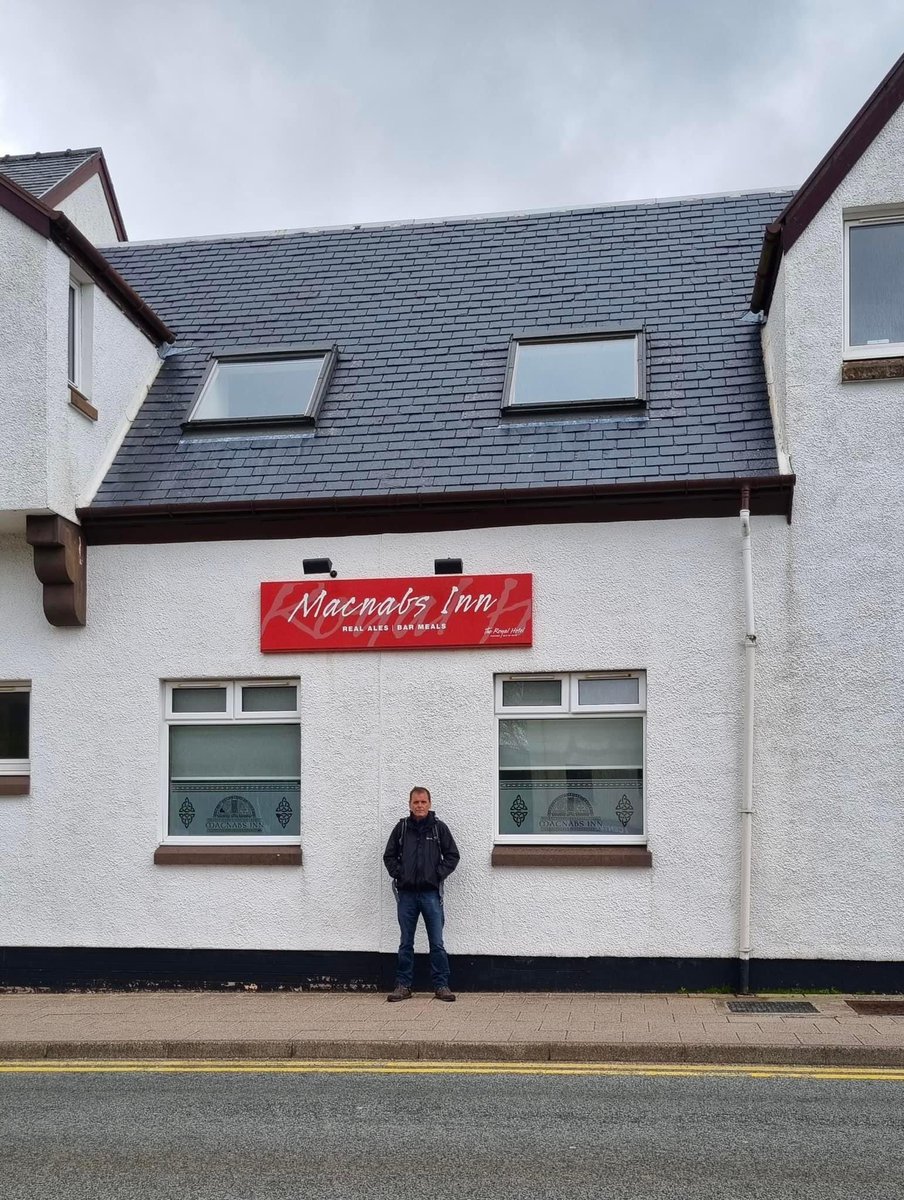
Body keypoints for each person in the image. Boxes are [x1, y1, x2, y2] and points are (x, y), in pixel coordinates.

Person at [382, 786, 460, 1002]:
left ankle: (441, 985)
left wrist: (437, 875)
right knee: (406, 942)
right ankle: (403, 985)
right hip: (406, 895)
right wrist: (400, 874)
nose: (419, 806)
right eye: (416, 802)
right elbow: (389, 856)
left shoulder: (438, 828)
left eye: (423, 802)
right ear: (409, 804)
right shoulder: (401, 829)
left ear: (429, 804)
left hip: (430, 895)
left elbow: (453, 855)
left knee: (437, 942)